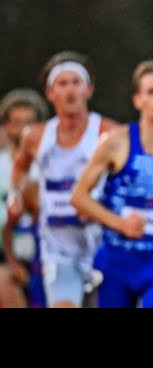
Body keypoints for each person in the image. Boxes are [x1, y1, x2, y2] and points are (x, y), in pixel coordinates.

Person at [70, 59, 153, 308]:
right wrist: (120, 224)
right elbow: (78, 196)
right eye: (151, 92)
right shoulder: (116, 142)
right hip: (117, 261)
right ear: (138, 100)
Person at [8, 51, 119, 308]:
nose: (70, 91)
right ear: (50, 94)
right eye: (62, 83)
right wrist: (16, 196)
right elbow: (20, 167)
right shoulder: (36, 137)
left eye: (76, 83)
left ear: (88, 90)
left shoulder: (108, 132)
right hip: (58, 248)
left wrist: (105, 208)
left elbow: (126, 176)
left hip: (102, 245)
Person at [0, 88, 48, 308]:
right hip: (5, 255)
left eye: (29, 122)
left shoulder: (52, 165)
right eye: (16, 122)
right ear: (5, 126)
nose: (23, 130)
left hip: (48, 251)